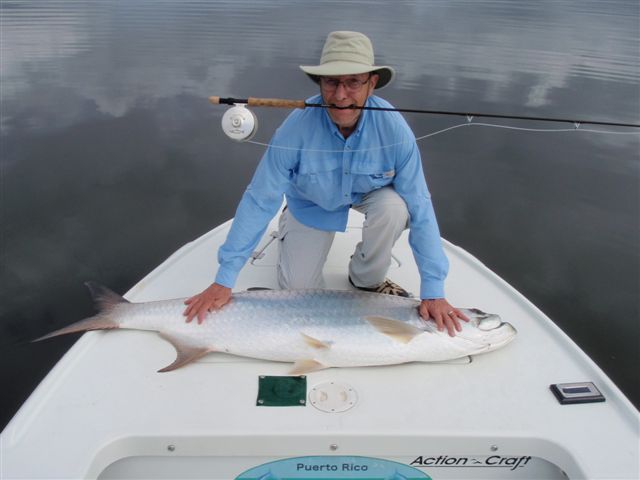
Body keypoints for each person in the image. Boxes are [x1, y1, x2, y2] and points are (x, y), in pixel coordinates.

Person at [183, 31, 468, 336]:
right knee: (298, 293)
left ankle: (366, 278)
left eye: (353, 82)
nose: (341, 95)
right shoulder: (295, 129)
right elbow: (260, 198)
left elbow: (420, 205)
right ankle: (288, 222)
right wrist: (224, 278)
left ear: (371, 83)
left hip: (369, 195)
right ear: (319, 84)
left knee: (396, 207)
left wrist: (433, 289)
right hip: (310, 204)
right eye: (331, 82)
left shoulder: (395, 130)